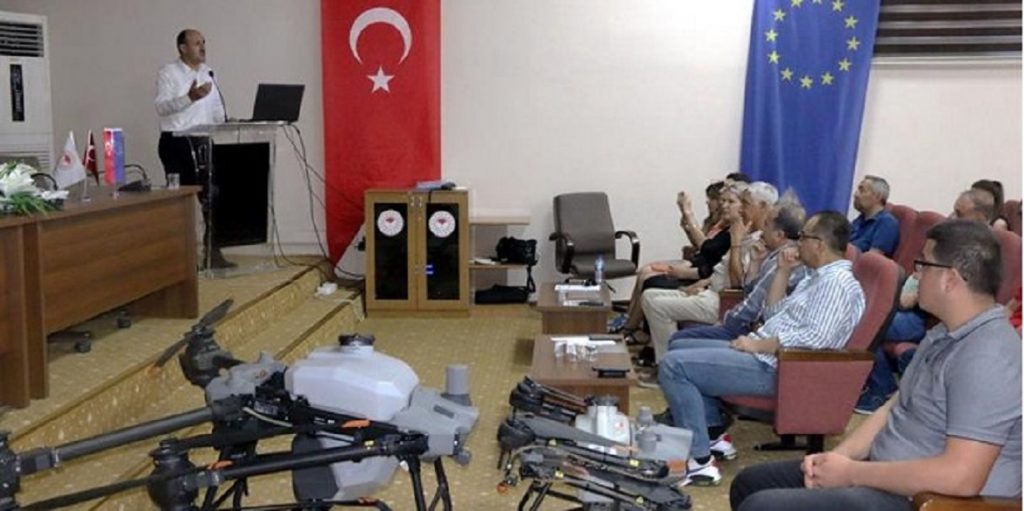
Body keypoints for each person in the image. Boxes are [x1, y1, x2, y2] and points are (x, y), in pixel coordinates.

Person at [730, 220, 1021, 511]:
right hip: (888, 476)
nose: (915, 275)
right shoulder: (945, 331)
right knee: (749, 483)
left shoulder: (988, 357)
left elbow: (961, 477)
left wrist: (851, 473)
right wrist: (837, 460)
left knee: (762, 506)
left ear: (950, 279)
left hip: (929, 500)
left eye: (923, 265)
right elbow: (893, 407)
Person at [659, 211, 865, 487]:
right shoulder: (816, 277)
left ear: (819, 244)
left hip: (781, 368)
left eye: (802, 237)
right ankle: (710, 433)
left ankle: (698, 461)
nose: (797, 242)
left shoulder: (835, 284)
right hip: (768, 354)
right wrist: (782, 271)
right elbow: (773, 314)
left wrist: (755, 345)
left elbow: (813, 338)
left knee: (674, 366)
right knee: (682, 345)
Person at [639, 182, 777, 378]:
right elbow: (718, 266)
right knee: (649, 295)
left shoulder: (759, 240)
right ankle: (667, 362)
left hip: (723, 301)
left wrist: (736, 242)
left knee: (657, 305)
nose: (741, 209)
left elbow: (739, 284)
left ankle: (667, 367)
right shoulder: (744, 229)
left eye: (745, 203)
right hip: (711, 290)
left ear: (762, 206)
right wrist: (704, 283)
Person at [666, 197, 807, 345]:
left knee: (679, 340)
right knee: (679, 337)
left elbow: (750, 304)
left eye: (766, 225)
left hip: (745, 329)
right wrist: (755, 263)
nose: (762, 231)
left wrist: (727, 322)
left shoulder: (785, 262)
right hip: (737, 320)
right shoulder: (771, 255)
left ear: (779, 235)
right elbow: (749, 292)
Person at [155, 28, 234, 270]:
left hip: (203, 141)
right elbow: (162, 107)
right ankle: (183, 259)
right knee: (184, 202)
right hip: (177, 143)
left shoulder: (207, 72)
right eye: (197, 43)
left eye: (203, 42)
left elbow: (216, 109)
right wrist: (190, 97)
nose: (202, 47)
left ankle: (213, 254)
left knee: (214, 197)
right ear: (182, 48)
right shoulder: (169, 73)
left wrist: (226, 121)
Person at [849, 175, 900, 257]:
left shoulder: (886, 223)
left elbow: (872, 259)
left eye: (862, 190)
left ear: (877, 196)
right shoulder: (859, 220)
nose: (856, 194)